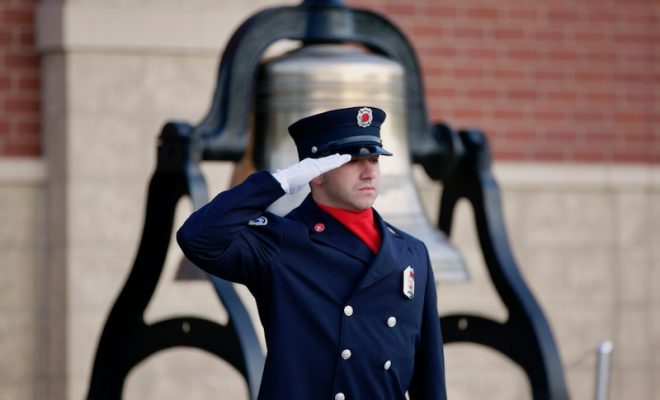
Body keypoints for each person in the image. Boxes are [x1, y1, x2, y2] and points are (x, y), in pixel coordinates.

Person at [177, 106, 447, 400]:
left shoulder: (411, 251)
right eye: (352, 160)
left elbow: (428, 376)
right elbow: (197, 237)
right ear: (316, 173)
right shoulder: (280, 241)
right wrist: (279, 182)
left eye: (374, 159)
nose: (369, 171)